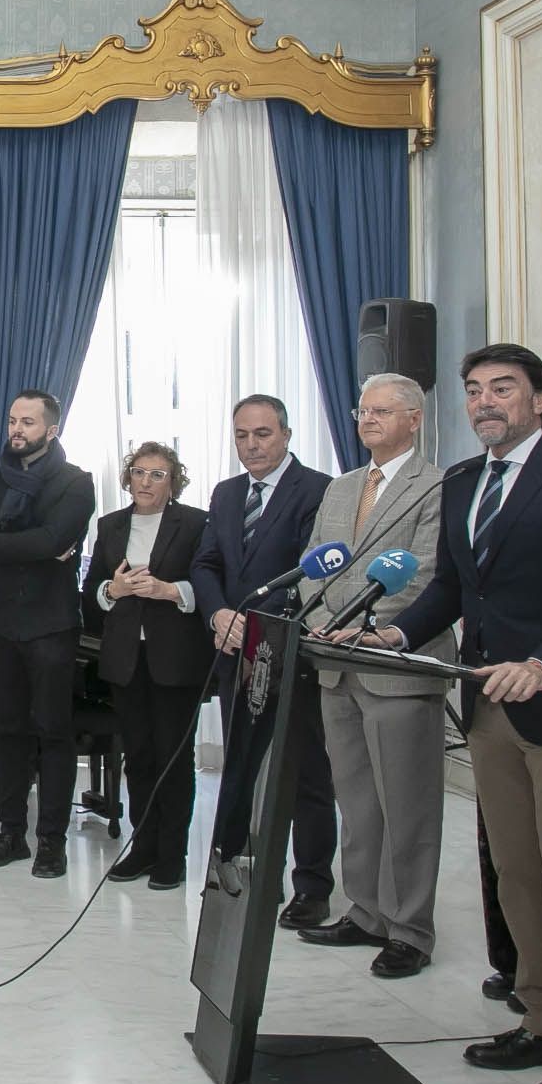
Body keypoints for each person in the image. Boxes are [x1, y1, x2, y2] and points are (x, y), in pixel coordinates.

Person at [372, 343, 542, 1084]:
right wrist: (395, 635)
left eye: (504, 388)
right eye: (474, 391)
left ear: (539, 400)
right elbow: (454, 589)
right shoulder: (463, 482)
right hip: (489, 706)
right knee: (515, 876)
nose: (486, 402)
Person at [296, 377, 449, 967]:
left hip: (397, 663)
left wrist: (361, 622)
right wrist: (326, 617)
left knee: (407, 804)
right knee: (357, 801)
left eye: (382, 410)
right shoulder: (342, 487)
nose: (368, 419)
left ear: (414, 418)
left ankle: (409, 930)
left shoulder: (438, 485)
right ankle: (364, 912)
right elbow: (314, 562)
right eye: (362, 409)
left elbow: (427, 572)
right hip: (335, 662)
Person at [191, 394, 339, 931]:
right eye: (241, 436)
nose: (251, 446)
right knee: (242, 768)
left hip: (290, 652)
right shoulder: (227, 493)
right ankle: (245, 868)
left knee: (305, 773)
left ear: (287, 434)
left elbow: (312, 574)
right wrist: (219, 615)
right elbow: (206, 563)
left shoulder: (319, 489)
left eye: (262, 434)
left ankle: (313, 886)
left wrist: (256, 624)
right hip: (235, 654)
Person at [0, 390, 94, 877]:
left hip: (52, 625)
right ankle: (12, 833)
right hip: (0, 624)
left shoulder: (75, 482)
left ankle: (51, 841)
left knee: (54, 734)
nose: (17, 430)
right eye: (13, 420)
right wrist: (28, 545)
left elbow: (53, 540)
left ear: (52, 430)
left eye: (29, 422)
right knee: (7, 731)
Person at [85, 441, 212, 889]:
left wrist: (170, 591)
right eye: (139, 472)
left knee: (173, 758)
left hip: (176, 657)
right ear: (127, 477)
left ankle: (171, 854)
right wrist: (113, 591)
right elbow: (92, 594)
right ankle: (143, 845)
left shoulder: (196, 523)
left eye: (158, 474)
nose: (146, 481)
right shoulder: (110, 524)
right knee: (138, 756)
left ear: (173, 480)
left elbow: (208, 581)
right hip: (125, 658)